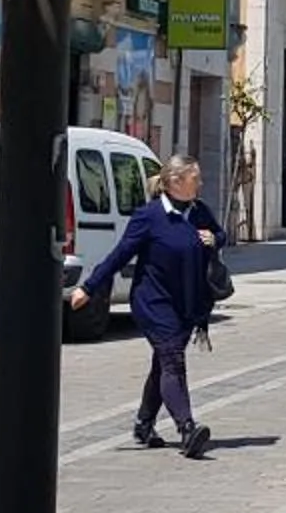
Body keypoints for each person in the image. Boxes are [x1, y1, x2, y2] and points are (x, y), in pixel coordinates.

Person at [71, 154, 230, 458]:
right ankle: (187, 428)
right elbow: (119, 255)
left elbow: (220, 234)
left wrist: (215, 238)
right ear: (175, 182)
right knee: (172, 361)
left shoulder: (199, 212)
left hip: (188, 303)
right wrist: (88, 288)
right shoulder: (149, 216)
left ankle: (144, 424)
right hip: (153, 302)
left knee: (162, 366)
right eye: (195, 178)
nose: (200, 183)